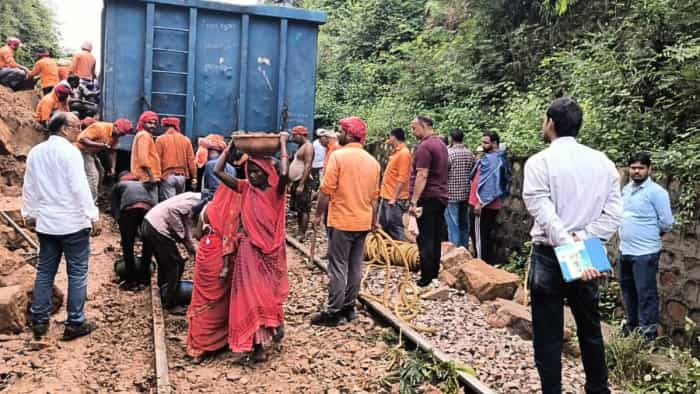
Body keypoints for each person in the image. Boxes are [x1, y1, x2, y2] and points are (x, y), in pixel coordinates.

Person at [523, 97, 623, 394]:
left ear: (550, 123)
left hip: (552, 251)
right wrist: (583, 242)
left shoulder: (539, 162)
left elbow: (544, 213)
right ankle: (597, 389)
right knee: (590, 328)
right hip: (589, 247)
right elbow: (614, 213)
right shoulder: (603, 162)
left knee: (548, 335)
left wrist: (570, 247)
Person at [22, 111, 100, 340]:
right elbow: (79, 187)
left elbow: (30, 186)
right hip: (73, 223)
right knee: (77, 273)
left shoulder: (36, 152)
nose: (79, 130)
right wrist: (92, 215)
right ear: (64, 128)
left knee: (45, 272)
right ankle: (75, 323)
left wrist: (30, 213)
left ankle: (39, 321)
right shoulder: (71, 153)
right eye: (76, 126)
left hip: (46, 224)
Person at [214, 133, 290, 361]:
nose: (254, 176)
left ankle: (272, 328)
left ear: (267, 172)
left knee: (266, 295)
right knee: (248, 296)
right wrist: (229, 147)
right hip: (248, 250)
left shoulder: (276, 191)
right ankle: (255, 346)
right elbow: (218, 172)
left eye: (258, 172)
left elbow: (285, 173)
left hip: (270, 252)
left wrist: (283, 143)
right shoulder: (245, 188)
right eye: (251, 171)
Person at [311, 117, 380, 326]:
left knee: (338, 266)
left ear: (349, 135)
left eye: (341, 131)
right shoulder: (373, 162)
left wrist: (317, 214)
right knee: (355, 265)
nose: (338, 134)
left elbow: (326, 190)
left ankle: (333, 312)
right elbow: (375, 199)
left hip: (342, 221)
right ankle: (349, 307)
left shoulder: (338, 157)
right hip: (363, 221)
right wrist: (374, 222)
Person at [619, 152, 674, 342]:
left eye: (641, 168)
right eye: (633, 167)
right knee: (628, 290)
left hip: (645, 252)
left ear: (649, 170)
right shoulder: (626, 189)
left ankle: (648, 334)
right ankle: (632, 326)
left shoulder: (657, 193)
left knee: (646, 293)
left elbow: (666, 222)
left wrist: (649, 234)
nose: (636, 171)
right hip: (625, 250)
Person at [186, 178, 242, 360]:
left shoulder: (207, 208)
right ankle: (215, 341)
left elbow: (196, 233)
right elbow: (229, 240)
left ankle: (197, 344)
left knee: (201, 297)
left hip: (205, 253)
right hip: (220, 257)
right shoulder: (232, 212)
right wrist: (226, 266)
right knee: (219, 300)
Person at [142, 192, 201, 315]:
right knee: (176, 264)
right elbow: (172, 211)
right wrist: (180, 234)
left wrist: (193, 250)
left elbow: (187, 230)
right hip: (156, 226)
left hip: (150, 223)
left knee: (165, 262)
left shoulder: (194, 202)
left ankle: (163, 290)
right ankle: (171, 303)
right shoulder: (196, 201)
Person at [408, 115, 449, 287]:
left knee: (425, 237)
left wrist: (414, 201)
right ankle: (433, 272)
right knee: (435, 236)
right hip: (440, 196)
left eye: (414, 127)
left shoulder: (425, 147)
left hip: (428, 196)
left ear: (424, 126)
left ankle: (425, 277)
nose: (412, 131)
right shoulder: (441, 144)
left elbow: (422, 174)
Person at [469, 131, 510, 264]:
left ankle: (481, 265)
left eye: (486, 143)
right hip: (488, 204)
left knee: (479, 236)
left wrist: (480, 202)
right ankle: (486, 263)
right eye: (482, 142)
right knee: (484, 235)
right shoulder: (496, 157)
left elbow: (490, 183)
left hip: (483, 205)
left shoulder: (493, 160)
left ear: (495, 144)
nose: (483, 145)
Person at [111, 171, 156, 287]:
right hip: (148, 209)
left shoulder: (118, 186)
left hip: (129, 208)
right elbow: (153, 185)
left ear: (121, 179)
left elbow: (115, 207)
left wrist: (120, 222)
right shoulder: (142, 184)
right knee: (148, 243)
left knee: (127, 244)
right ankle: (144, 278)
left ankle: (131, 280)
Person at [77, 118, 134, 201]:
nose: (120, 135)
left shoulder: (115, 136)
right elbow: (82, 140)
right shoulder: (99, 127)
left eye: (122, 134)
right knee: (93, 175)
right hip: (81, 150)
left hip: (91, 153)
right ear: (115, 126)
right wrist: (100, 145)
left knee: (101, 172)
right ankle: (89, 201)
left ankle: (96, 193)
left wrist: (112, 168)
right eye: (120, 132)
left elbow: (112, 152)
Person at [378, 127, 412, 241]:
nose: (388, 139)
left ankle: (400, 254)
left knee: (395, 227)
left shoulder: (404, 153)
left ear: (394, 137)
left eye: (390, 136)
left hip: (394, 199)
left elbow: (402, 178)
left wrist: (394, 198)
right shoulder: (396, 152)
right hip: (386, 195)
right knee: (385, 226)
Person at [445, 128, 475, 248]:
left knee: (453, 225)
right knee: (464, 223)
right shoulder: (470, 153)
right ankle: (465, 248)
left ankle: (455, 249)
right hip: (466, 193)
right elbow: (473, 171)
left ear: (451, 139)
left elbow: (444, 171)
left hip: (451, 193)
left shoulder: (449, 153)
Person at [156, 117, 197, 201]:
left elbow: (157, 160)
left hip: (167, 177)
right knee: (179, 203)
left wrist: (157, 177)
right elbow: (191, 161)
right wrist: (194, 177)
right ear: (177, 126)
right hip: (181, 178)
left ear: (165, 126)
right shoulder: (186, 140)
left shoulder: (160, 139)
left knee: (169, 204)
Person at [288, 125, 315, 241]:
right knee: (299, 209)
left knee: (304, 209)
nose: (292, 137)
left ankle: (302, 234)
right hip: (297, 180)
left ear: (300, 135)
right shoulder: (301, 146)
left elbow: (308, 165)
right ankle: (299, 232)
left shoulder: (308, 147)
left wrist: (301, 184)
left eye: (294, 135)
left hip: (303, 181)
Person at [131, 111, 161, 201]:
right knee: (152, 205)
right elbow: (143, 160)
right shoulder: (144, 136)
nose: (153, 126)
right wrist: (151, 177)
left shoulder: (144, 135)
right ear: (143, 123)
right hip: (146, 178)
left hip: (146, 178)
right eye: (149, 123)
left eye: (155, 123)